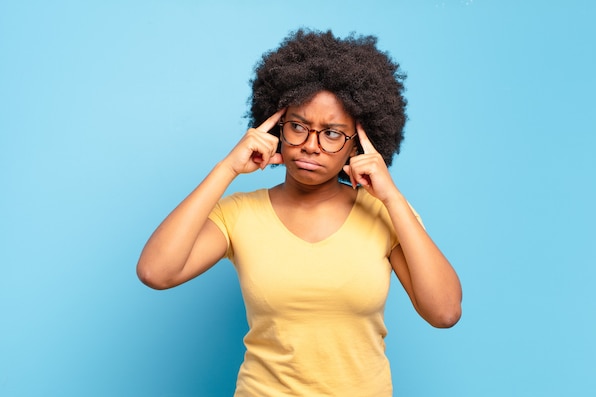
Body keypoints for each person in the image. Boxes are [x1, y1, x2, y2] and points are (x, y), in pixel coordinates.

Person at [137, 28, 462, 397]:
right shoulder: (240, 214)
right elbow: (155, 272)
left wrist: (391, 197)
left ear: (359, 142)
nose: (310, 146)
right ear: (275, 127)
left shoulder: (385, 214)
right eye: (298, 127)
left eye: (332, 133)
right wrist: (226, 168)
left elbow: (444, 312)